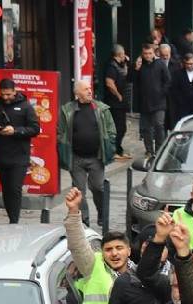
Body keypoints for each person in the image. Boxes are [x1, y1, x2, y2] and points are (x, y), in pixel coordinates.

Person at [0, 78, 40, 223]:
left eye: (9, 94)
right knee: (6, 189)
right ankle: (11, 217)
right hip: (1, 155)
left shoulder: (25, 107)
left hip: (19, 156)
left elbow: (35, 128)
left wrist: (15, 131)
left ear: (15, 91)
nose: (6, 97)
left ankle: (14, 220)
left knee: (15, 188)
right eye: (3, 94)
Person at [58, 81, 116, 229]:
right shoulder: (67, 110)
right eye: (86, 89)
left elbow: (111, 130)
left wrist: (109, 144)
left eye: (90, 88)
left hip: (96, 157)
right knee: (79, 191)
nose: (90, 91)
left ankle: (103, 215)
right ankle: (84, 221)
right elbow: (61, 132)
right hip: (76, 158)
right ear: (77, 93)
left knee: (98, 187)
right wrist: (62, 147)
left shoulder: (100, 108)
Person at [135, 43, 170, 157]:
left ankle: (159, 150)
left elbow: (168, 80)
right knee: (146, 128)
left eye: (149, 53)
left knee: (159, 125)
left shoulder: (160, 64)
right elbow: (131, 80)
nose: (147, 56)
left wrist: (162, 93)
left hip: (159, 102)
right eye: (145, 53)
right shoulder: (140, 65)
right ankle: (149, 150)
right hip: (144, 102)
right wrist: (136, 69)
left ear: (154, 53)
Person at [102, 45, 131, 158]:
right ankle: (114, 150)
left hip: (121, 102)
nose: (125, 56)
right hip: (114, 102)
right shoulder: (111, 67)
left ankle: (118, 149)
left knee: (121, 127)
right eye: (123, 54)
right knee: (119, 128)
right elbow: (109, 83)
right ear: (120, 54)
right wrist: (118, 95)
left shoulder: (121, 64)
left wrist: (126, 62)